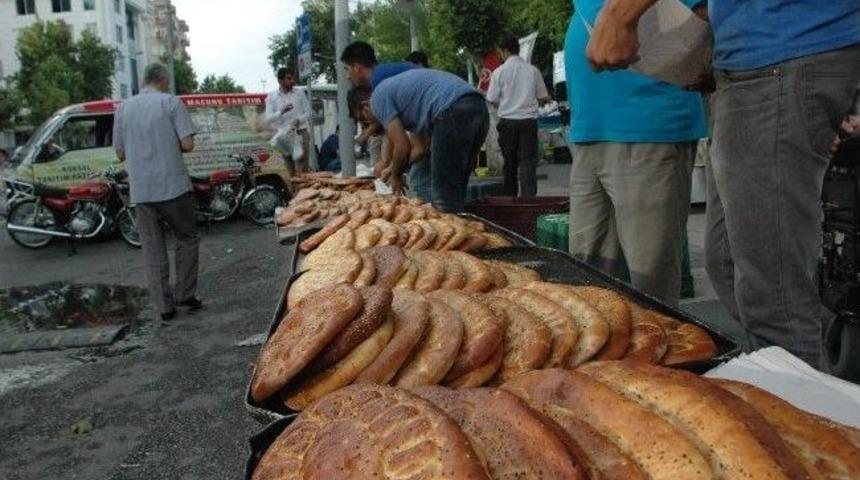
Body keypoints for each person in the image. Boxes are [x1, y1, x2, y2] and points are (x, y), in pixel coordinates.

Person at [587, 0, 860, 366]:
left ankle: (800, 406)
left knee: (774, 297)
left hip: (780, 56)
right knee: (729, 261)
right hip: (753, 64)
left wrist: (620, 14)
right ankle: (817, 373)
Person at [563, 0, 707, 308]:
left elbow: (700, 17)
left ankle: (660, 353)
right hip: (590, 130)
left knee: (650, 282)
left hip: (647, 126)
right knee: (588, 275)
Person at [113, 63, 201, 321]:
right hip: (173, 187)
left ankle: (165, 307)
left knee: (152, 248)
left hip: (142, 191)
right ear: (162, 80)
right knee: (187, 239)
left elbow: (120, 153)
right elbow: (188, 144)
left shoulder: (123, 108)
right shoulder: (171, 103)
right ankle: (185, 294)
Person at [351, 68, 489, 213]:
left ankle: (452, 230)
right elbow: (421, 149)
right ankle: (466, 230)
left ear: (365, 106)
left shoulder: (377, 99)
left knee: (444, 195)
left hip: (452, 110)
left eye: (364, 120)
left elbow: (402, 147)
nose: (368, 124)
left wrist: (397, 176)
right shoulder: (410, 103)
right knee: (456, 187)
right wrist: (392, 169)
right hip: (477, 105)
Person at [487, 33, 551, 197]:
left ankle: (511, 200)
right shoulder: (533, 71)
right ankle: (529, 202)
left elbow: (492, 99)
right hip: (528, 122)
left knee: (510, 164)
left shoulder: (499, 72)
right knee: (528, 164)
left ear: (504, 51)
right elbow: (543, 97)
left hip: (508, 123)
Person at [265, 68, 311, 174]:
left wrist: (298, 120)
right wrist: (281, 112)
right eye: (289, 79)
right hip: (284, 136)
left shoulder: (299, 93)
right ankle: (294, 190)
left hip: (300, 132)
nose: (292, 81)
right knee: (290, 169)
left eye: (293, 78)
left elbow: (309, 112)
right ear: (280, 81)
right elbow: (268, 119)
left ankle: (306, 190)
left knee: (303, 169)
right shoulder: (272, 96)